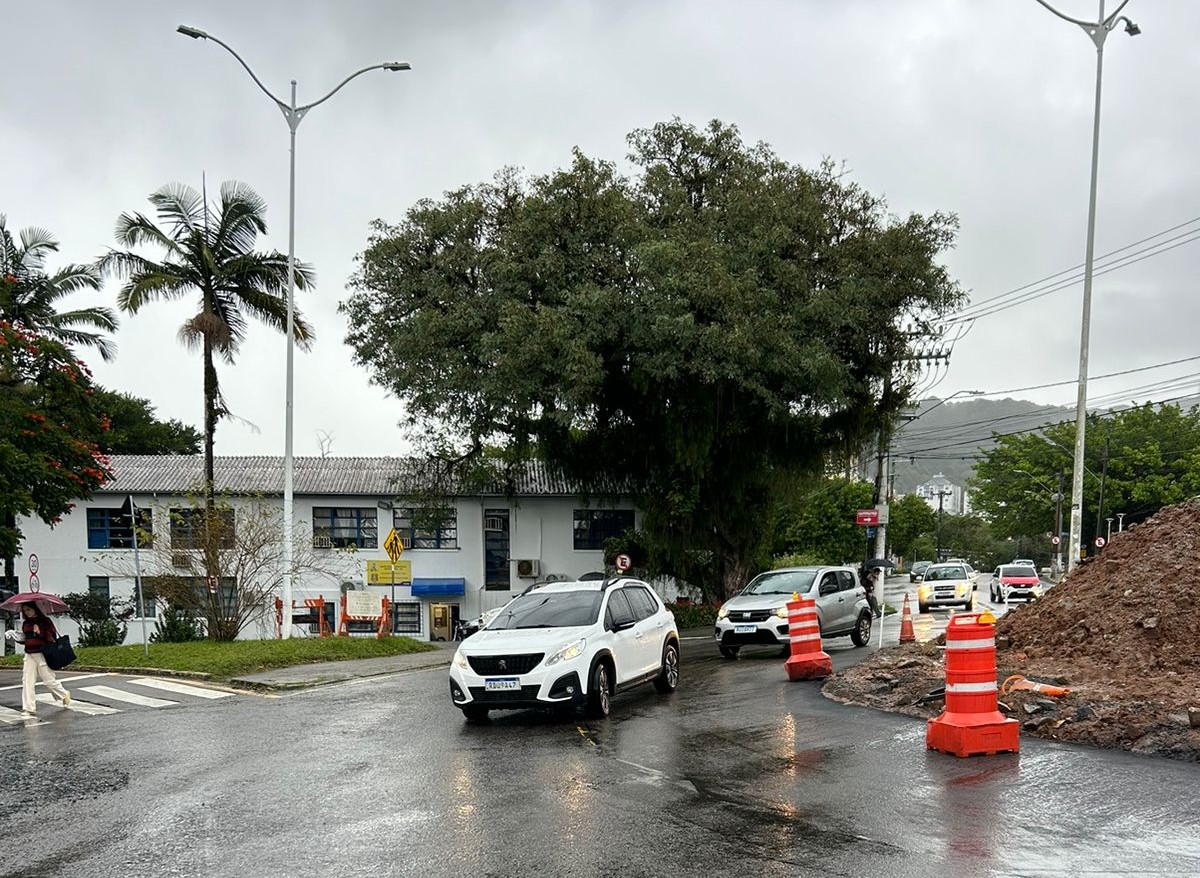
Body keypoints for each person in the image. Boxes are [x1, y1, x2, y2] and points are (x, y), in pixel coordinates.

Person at [3, 603, 71, 716]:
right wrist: (15, 636)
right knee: (27, 681)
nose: (27, 612)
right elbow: (26, 639)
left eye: (29, 609)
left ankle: (64, 694)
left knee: (49, 680)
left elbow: (51, 637)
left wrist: (40, 632)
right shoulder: (26, 623)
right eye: (24, 610)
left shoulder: (45, 621)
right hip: (29, 654)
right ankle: (29, 708)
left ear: (35, 609)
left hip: (42, 653)